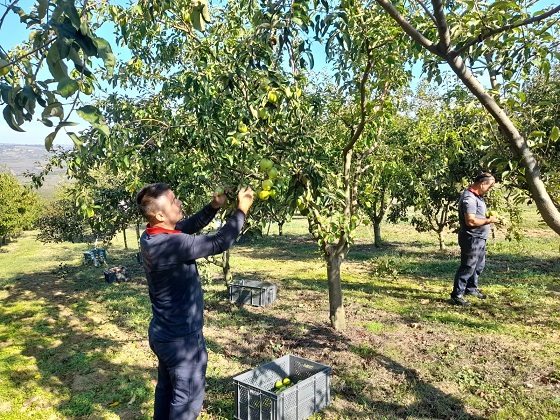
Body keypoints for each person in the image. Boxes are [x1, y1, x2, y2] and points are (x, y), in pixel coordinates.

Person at [136, 183, 254, 419]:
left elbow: (184, 226)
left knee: (167, 389)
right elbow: (221, 242)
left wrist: (213, 207)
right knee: (187, 403)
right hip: (183, 342)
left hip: (163, 333)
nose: (179, 203)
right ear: (160, 214)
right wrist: (242, 209)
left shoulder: (151, 235)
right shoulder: (172, 245)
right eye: (173, 201)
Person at [450, 172, 498, 306]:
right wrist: (489, 220)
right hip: (472, 238)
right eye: (490, 186)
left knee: (478, 266)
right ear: (483, 184)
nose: (490, 189)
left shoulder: (477, 197)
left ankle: (471, 289)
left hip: (479, 238)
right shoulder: (469, 199)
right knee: (468, 266)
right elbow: (470, 221)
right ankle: (456, 295)